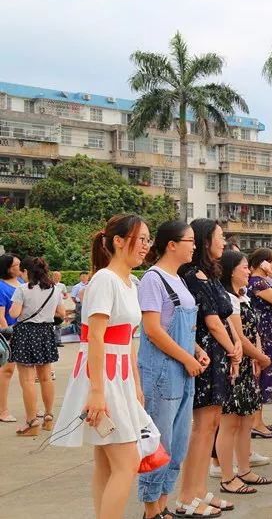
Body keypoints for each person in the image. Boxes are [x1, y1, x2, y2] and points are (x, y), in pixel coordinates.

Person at [51, 215, 153, 519]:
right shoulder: (105, 279)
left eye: (149, 240)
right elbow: (95, 336)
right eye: (141, 238)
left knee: (108, 463)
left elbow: (127, 340)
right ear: (119, 241)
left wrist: (134, 384)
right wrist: (97, 391)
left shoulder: (128, 281)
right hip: (104, 377)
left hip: (117, 375)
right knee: (127, 462)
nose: (146, 246)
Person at [136, 221, 203, 519]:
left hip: (184, 370)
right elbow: (152, 330)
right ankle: (152, 510)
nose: (194, 246)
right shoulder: (153, 279)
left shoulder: (179, 279)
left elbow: (184, 327)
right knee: (158, 442)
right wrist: (186, 358)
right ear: (172, 245)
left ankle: (163, 505)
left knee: (177, 443)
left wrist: (197, 352)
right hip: (163, 372)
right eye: (189, 240)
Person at [176, 218, 241, 517]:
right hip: (206, 354)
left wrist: (234, 346)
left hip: (220, 352)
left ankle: (200, 490)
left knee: (211, 425)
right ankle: (187, 495)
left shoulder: (210, 274)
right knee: (202, 428)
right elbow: (212, 322)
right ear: (205, 241)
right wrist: (232, 348)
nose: (224, 241)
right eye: (220, 236)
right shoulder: (190, 275)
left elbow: (225, 318)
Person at [217, 250, 272, 495]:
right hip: (235, 366)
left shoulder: (243, 297)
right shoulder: (228, 299)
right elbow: (238, 336)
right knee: (229, 423)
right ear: (231, 271)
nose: (248, 271)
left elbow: (253, 332)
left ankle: (245, 469)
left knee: (246, 419)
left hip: (249, 364)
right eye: (244, 267)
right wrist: (259, 356)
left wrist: (258, 354)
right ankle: (227, 476)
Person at [8, 256, 65, 436]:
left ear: (26, 272)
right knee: (46, 377)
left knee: (27, 380)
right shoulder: (54, 289)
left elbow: (15, 313)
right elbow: (61, 314)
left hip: (25, 333)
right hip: (46, 333)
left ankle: (32, 422)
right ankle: (48, 417)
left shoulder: (22, 289)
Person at [247, 248, 272, 439]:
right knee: (261, 375)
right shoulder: (258, 282)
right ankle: (256, 422)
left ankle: (258, 420)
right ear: (264, 263)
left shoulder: (257, 282)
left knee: (261, 375)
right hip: (264, 332)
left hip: (265, 330)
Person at [0, 253, 22, 423]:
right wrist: (7, 334)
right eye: (15, 265)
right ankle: (3, 410)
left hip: (22, 332)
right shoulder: (1, 286)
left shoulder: (22, 283)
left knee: (26, 371)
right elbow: (1, 316)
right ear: (7, 268)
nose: (19, 268)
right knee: (7, 371)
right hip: (9, 334)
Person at [52, 271, 67, 347]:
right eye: (55, 276)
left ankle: (58, 341)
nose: (57, 278)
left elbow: (66, 295)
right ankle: (51, 341)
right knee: (50, 325)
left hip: (59, 307)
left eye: (58, 276)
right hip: (51, 307)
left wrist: (61, 297)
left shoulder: (62, 285)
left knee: (59, 325)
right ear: (52, 276)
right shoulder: (49, 284)